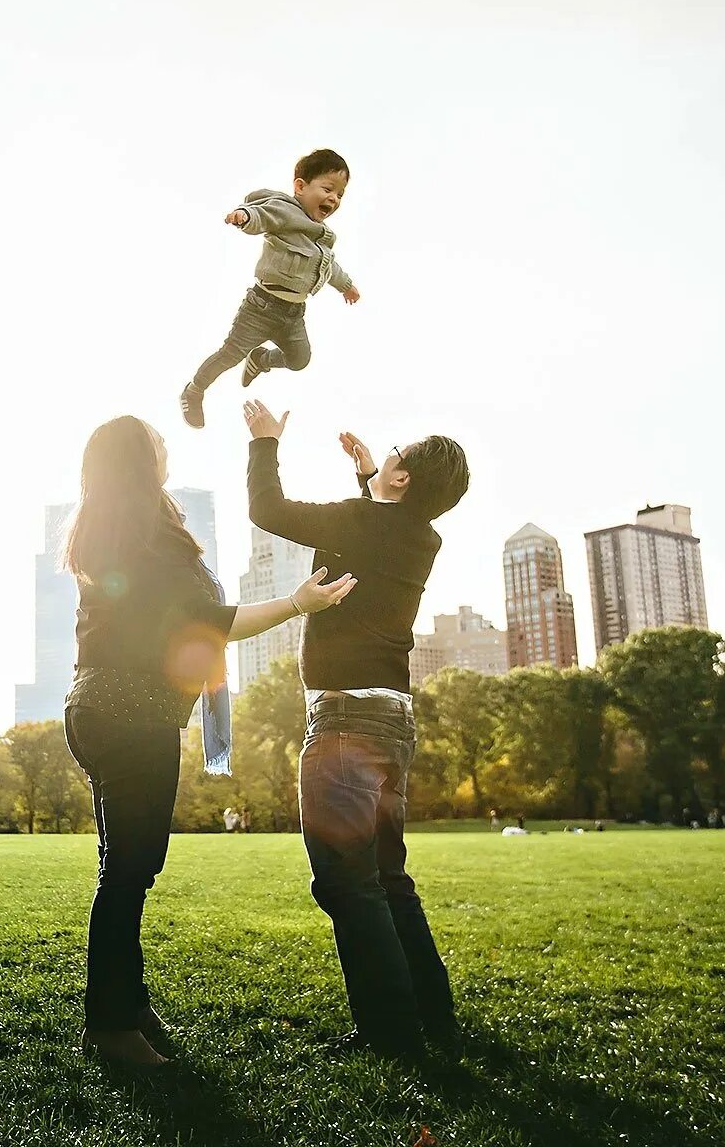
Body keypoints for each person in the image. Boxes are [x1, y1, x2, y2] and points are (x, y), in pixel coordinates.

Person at [63, 414, 356, 1069]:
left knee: (123, 869)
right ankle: (110, 1028)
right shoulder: (151, 545)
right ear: (141, 463)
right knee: (129, 874)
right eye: (157, 443)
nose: (167, 448)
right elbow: (216, 623)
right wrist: (297, 605)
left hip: (92, 711)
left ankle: (127, 1003)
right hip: (133, 719)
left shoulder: (108, 535)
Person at [243, 397, 469, 1057]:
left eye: (397, 453)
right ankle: (433, 1018)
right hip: (394, 719)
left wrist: (263, 443)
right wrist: (371, 477)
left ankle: (391, 1034)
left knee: (345, 881)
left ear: (400, 481)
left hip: (345, 722)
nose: (388, 453)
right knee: (387, 877)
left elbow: (268, 510)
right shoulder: (421, 536)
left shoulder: (365, 522)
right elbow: (376, 533)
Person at [179, 149, 360, 430]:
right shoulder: (286, 210)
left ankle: (261, 359)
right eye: (327, 189)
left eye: (340, 195)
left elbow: (329, 268)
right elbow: (262, 215)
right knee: (229, 354)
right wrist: (244, 217)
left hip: (293, 315)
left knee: (300, 359)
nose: (333, 199)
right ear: (300, 187)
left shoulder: (320, 238)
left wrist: (346, 285)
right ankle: (194, 390)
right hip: (260, 308)